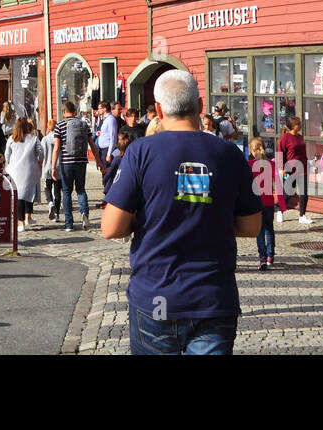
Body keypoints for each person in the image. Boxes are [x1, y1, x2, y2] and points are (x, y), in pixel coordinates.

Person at [102, 69, 261, 355]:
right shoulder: (230, 154)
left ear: (159, 110)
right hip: (212, 299)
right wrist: (214, 217)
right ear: (200, 106)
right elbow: (251, 227)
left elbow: (111, 227)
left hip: (156, 296)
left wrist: (145, 220)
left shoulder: (140, 152)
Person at [50, 100, 104, 232]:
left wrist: (53, 167)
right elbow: (93, 145)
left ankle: (69, 224)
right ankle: (84, 213)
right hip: (81, 162)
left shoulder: (60, 125)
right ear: (75, 111)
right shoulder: (84, 124)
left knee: (67, 191)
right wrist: (98, 161)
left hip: (66, 163)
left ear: (64, 112)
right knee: (81, 189)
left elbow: (56, 148)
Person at [248, 137, 285, 270]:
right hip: (269, 202)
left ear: (253, 151)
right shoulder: (272, 164)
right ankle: (270, 256)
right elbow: (279, 185)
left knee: (259, 231)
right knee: (269, 229)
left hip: (256, 202)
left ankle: (262, 258)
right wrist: (282, 203)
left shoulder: (249, 165)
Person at [3, 118, 43, 232]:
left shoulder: (11, 139)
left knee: (19, 195)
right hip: (30, 169)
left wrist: (10, 162)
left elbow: (7, 155)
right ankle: (27, 216)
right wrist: (39, 163)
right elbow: (41, 153)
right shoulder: (33, 139)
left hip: (15, 169)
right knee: (30, 192)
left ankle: (21, 222)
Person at [277, 115, 310, 225]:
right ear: (292, 126)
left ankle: (302, 215)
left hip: (303, 168)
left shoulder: (300, 137)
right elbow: (280, 153)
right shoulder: (285, 138)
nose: (300, 126)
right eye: (298, 124)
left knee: (304, 193)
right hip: (290, 169)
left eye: (300, 124)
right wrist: (282, 168)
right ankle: (280, 210)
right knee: (288, 193)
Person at [41, 118, 61, 222]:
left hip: (47, 166)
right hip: (58, 167)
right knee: (57, 191)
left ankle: (49, 202)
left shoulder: (45, 139)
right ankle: (57, 213)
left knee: (47, 187)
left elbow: (41, 154)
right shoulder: (59, 139)